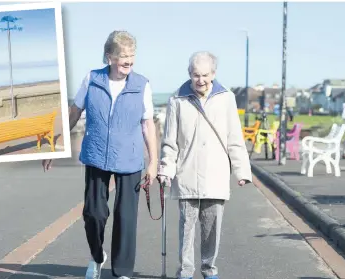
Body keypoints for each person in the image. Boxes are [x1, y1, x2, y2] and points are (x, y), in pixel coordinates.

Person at [42, 30, 157, 279]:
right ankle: (97, 256)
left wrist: (154, 162)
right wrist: (56, 144)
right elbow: (74, 113)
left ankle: (122, 271)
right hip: (96, 154)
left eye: (132, 55)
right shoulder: (92, 79)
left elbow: (148, 125)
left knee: (126, 217)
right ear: (109, 57)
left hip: (129, 157)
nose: (128, 60)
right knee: (94, 213)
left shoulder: (142, 85)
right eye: (123, 55)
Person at [157, 51, 252, 279]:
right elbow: (170, 141)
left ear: (214, 73)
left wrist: (242, 171)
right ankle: (186, 272)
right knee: (186, 230)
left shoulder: (226, 97)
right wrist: (166, 170)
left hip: (215, 175)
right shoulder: (177, 99)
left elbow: (234, 138)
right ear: (189, 74)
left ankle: (209, 271)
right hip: (186, 173)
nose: (201, 80)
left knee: (211, 230)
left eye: (205, 75)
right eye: (196, 75)